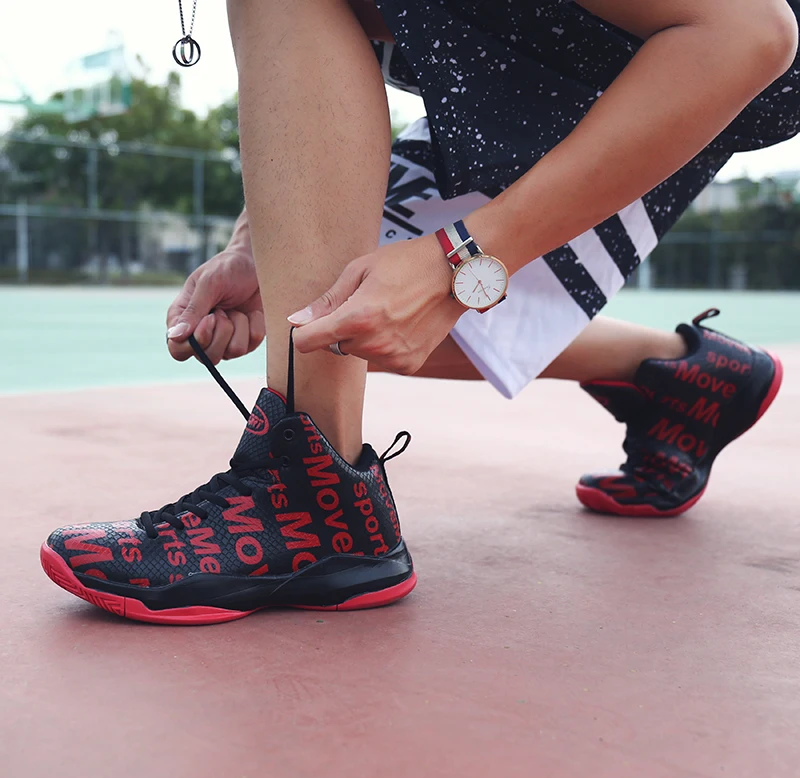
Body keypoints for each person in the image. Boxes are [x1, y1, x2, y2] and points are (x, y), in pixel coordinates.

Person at [41, 0, 798, 623]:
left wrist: (459, 261)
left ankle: (310, 494)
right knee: (358, 310)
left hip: (691, 56)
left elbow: (749, 34)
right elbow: (329, 51)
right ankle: (679, 378)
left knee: (384, 304)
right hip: (558, 51)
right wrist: (261, 250)